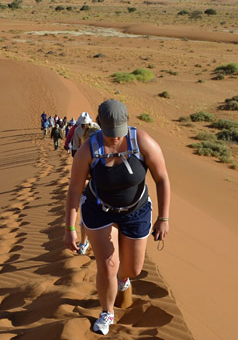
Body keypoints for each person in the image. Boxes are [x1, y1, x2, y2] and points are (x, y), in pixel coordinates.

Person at [64, 100, 171, 335]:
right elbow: (74, 189)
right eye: (109, 133)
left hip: (136, 211)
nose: (114, 138)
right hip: (100, 211)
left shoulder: (142, 142)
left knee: (132, 269)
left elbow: (162, 178)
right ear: (100, 124)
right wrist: (70, 228)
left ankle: (124, 280)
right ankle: (107, 311)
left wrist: (163, 218)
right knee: (107, 266)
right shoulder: (87, 150)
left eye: (119, 133)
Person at [77, 125, 101, 255]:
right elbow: (79, 183)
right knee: (85, 221)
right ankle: (83, 243)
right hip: (89, 196)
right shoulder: (83, 155)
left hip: (104, 197)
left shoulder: (106, 154)